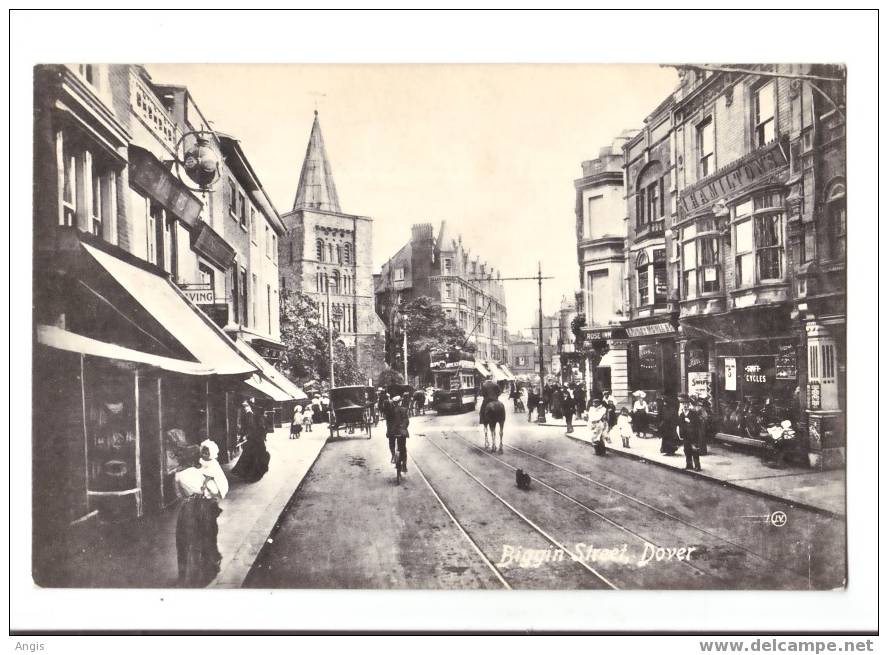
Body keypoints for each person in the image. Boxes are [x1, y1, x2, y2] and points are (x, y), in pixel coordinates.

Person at [175, 439, 229, 587]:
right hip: (202, 508)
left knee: (185, 540)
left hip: (186, 509)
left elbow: (179, 495)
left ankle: (184, 575)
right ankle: (206, 571)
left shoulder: (178, 475)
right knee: (206, 537)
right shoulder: (199, 473)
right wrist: (207, 489)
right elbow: (214, 491)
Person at [231, 400, 270, 482]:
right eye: (244, 406)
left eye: (246, 406)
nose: (245, 408)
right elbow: (252, 427)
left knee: (253, 456)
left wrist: (247, 435)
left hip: (255, 439)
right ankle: (249, 474)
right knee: (251, 456)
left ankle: (251, 475)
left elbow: (253, 427)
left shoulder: (251, 414)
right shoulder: (250, 414)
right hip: (255, 439)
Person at [677, 394, 702, 471]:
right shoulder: (681, 414)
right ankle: (689, 465)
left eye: (686, 404)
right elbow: (680, 425)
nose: (685, 406)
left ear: (689, 404)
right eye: (683, 404)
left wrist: (690, 421)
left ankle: (697, 466)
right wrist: (681, 435)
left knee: (694, 450)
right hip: (686, 436)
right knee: (687, 450)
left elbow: (698, 424)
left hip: (693, 435)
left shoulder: (693, 414)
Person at [386, 396, 410, 472]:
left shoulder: (389, 411)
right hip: (401, 432)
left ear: (393, 403)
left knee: (391, 444)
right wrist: (403, 428)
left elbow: (388, 423)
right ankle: (404, 465)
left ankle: (393, 455)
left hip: (392, 432)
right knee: (403, 447)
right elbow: (406, 421)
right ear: (400, 402)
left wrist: (388, 431)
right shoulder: (404, 410)